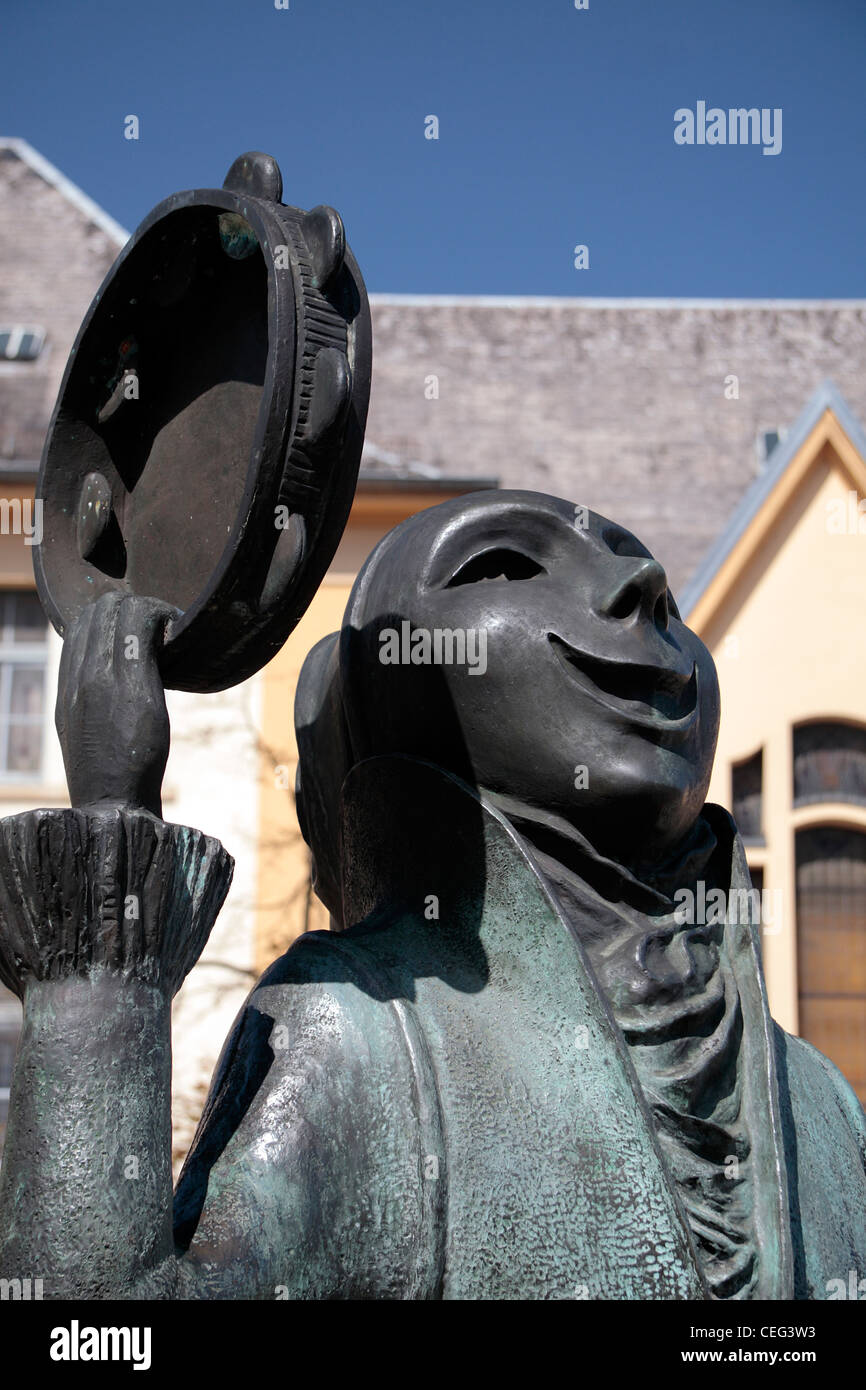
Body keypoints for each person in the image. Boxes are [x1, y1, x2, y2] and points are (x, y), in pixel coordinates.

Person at [0, 491, 864, 1300]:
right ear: (392, 691)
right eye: (502, 566)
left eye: (643, 570)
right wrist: (106, 878)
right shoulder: (361, 1029)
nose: (644, 586)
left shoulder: (825, 1106)